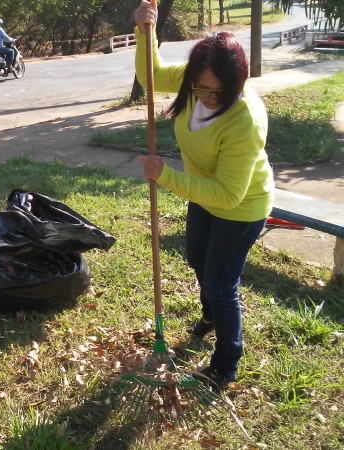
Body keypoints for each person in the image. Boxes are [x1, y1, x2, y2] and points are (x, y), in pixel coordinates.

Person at [134, 1, 274, 389]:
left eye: (219, 91)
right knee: (196, 257)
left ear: (237, 82)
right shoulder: (195, 83)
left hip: (241, 206)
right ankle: (210, 316)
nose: (209, 97)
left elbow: (229, 195)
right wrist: (147, 32)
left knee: (220, 282)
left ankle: (226, 364)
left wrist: (167, 176)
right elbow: (153, 74)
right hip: (204, 196)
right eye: (202, 88)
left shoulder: (245, 119)